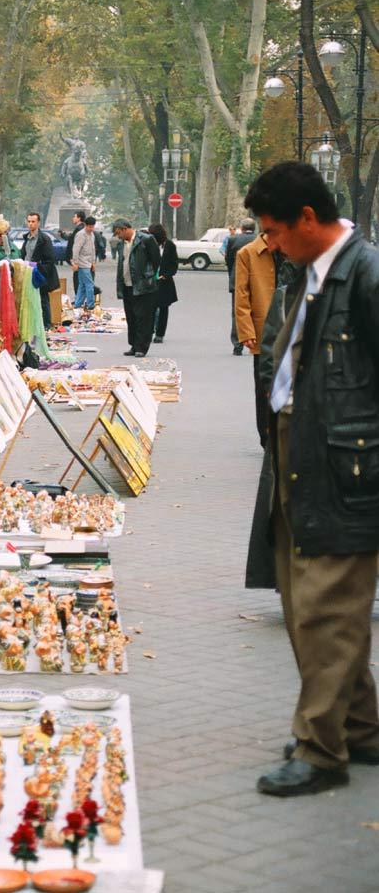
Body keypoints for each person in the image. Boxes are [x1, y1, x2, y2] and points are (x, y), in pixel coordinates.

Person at [244, 161, 379, 798]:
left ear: (307, 218)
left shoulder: (366, 272)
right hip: (300, 454)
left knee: (329, 608)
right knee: (305, 603)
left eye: (273, 231)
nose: (268, 244)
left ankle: (320, 747)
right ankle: (359, 725)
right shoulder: (310, 272)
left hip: (347, 466)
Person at [234, 228, 278, 448]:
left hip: (291, 331)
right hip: (263, 331)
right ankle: (266, 437)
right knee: (263, 388)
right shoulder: (247, 253)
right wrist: (246, 331)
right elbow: (241, 295)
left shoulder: (294, 251)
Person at [112, 218, 161, 358]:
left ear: (124, 229)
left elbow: (156, 260)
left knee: (143, 318)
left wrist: (147, 276)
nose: (118, 236)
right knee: (131, 317)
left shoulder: (146, 239)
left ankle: (142, 347)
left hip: (143, 286)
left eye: (118, 233)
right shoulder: (122, 244)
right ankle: (134, 345)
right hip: (127, 285)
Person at [20, 212, 59, 328]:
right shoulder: (26, 238)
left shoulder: (44, 239)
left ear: (38, 223)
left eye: (33, 222)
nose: (31, 224)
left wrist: (37, 267)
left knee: (43, 300)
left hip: (39, 274)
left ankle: (46, 324)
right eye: (29, 221)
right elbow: (24, 255)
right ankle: (34, 323)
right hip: (27, 273)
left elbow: (50, 260)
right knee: (30, 300)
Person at [226, 217, 257, 355]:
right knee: (257, 311)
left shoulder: (233, 240)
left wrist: (231, 275)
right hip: (257, 280)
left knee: (237, 312)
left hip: (237, 278)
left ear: (242, 228)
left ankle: (237, 344)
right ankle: (255, 342)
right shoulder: (259, 239)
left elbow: (229, 260)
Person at [147, 223, 178, 343]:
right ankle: (149, 332)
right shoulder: (148, 244)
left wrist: (165, 275)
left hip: (164, 282)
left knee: (163, 308)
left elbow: (174, 264)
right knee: (150, 309)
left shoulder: (170, 245)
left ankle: (160, 333)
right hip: (150, 281)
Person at [71, 215, 97, 311]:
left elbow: (93, 249)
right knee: (89, 284)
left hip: (89, 262)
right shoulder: (81, 235)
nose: (91, 228)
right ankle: (91, 305)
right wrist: (75, 263)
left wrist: (93, 262)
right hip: (82, 263)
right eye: (89, 226)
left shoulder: (92, 234)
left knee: (82, 285)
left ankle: (77, 304)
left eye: (92, 226)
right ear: (85, 225)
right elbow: (76, 249)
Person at [65, 210, 86, 295]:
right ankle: (79, 298)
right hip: (78, 259)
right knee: (77, 278)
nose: (73, 218)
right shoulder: (80, 228)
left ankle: (79, 300)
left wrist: (74, 260)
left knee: (78, 279)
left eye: (74, 216)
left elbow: (77, 246)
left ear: (79, 218)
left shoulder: (80, 229)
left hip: (78, 259)